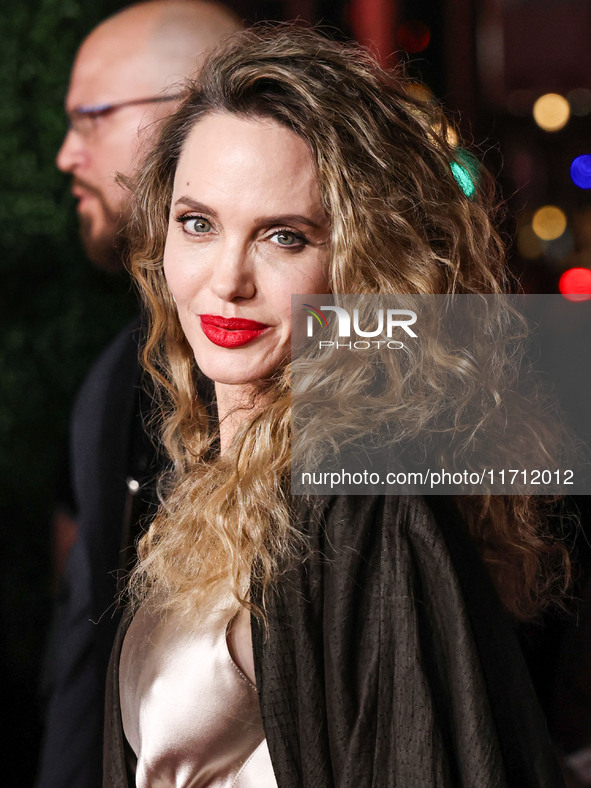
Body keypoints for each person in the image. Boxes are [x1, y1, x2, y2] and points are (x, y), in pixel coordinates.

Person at [104, 25, 570, 787]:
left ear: (362, 264)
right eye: (198, 223)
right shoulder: (204, 484)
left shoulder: (362, 499)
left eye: (283, 237)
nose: (227, 278)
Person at [36, 3, 242, 787]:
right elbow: (81, 646)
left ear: (188, 110)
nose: (65, 154)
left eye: (89, 118)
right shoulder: (112, 376)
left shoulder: (370, 360)